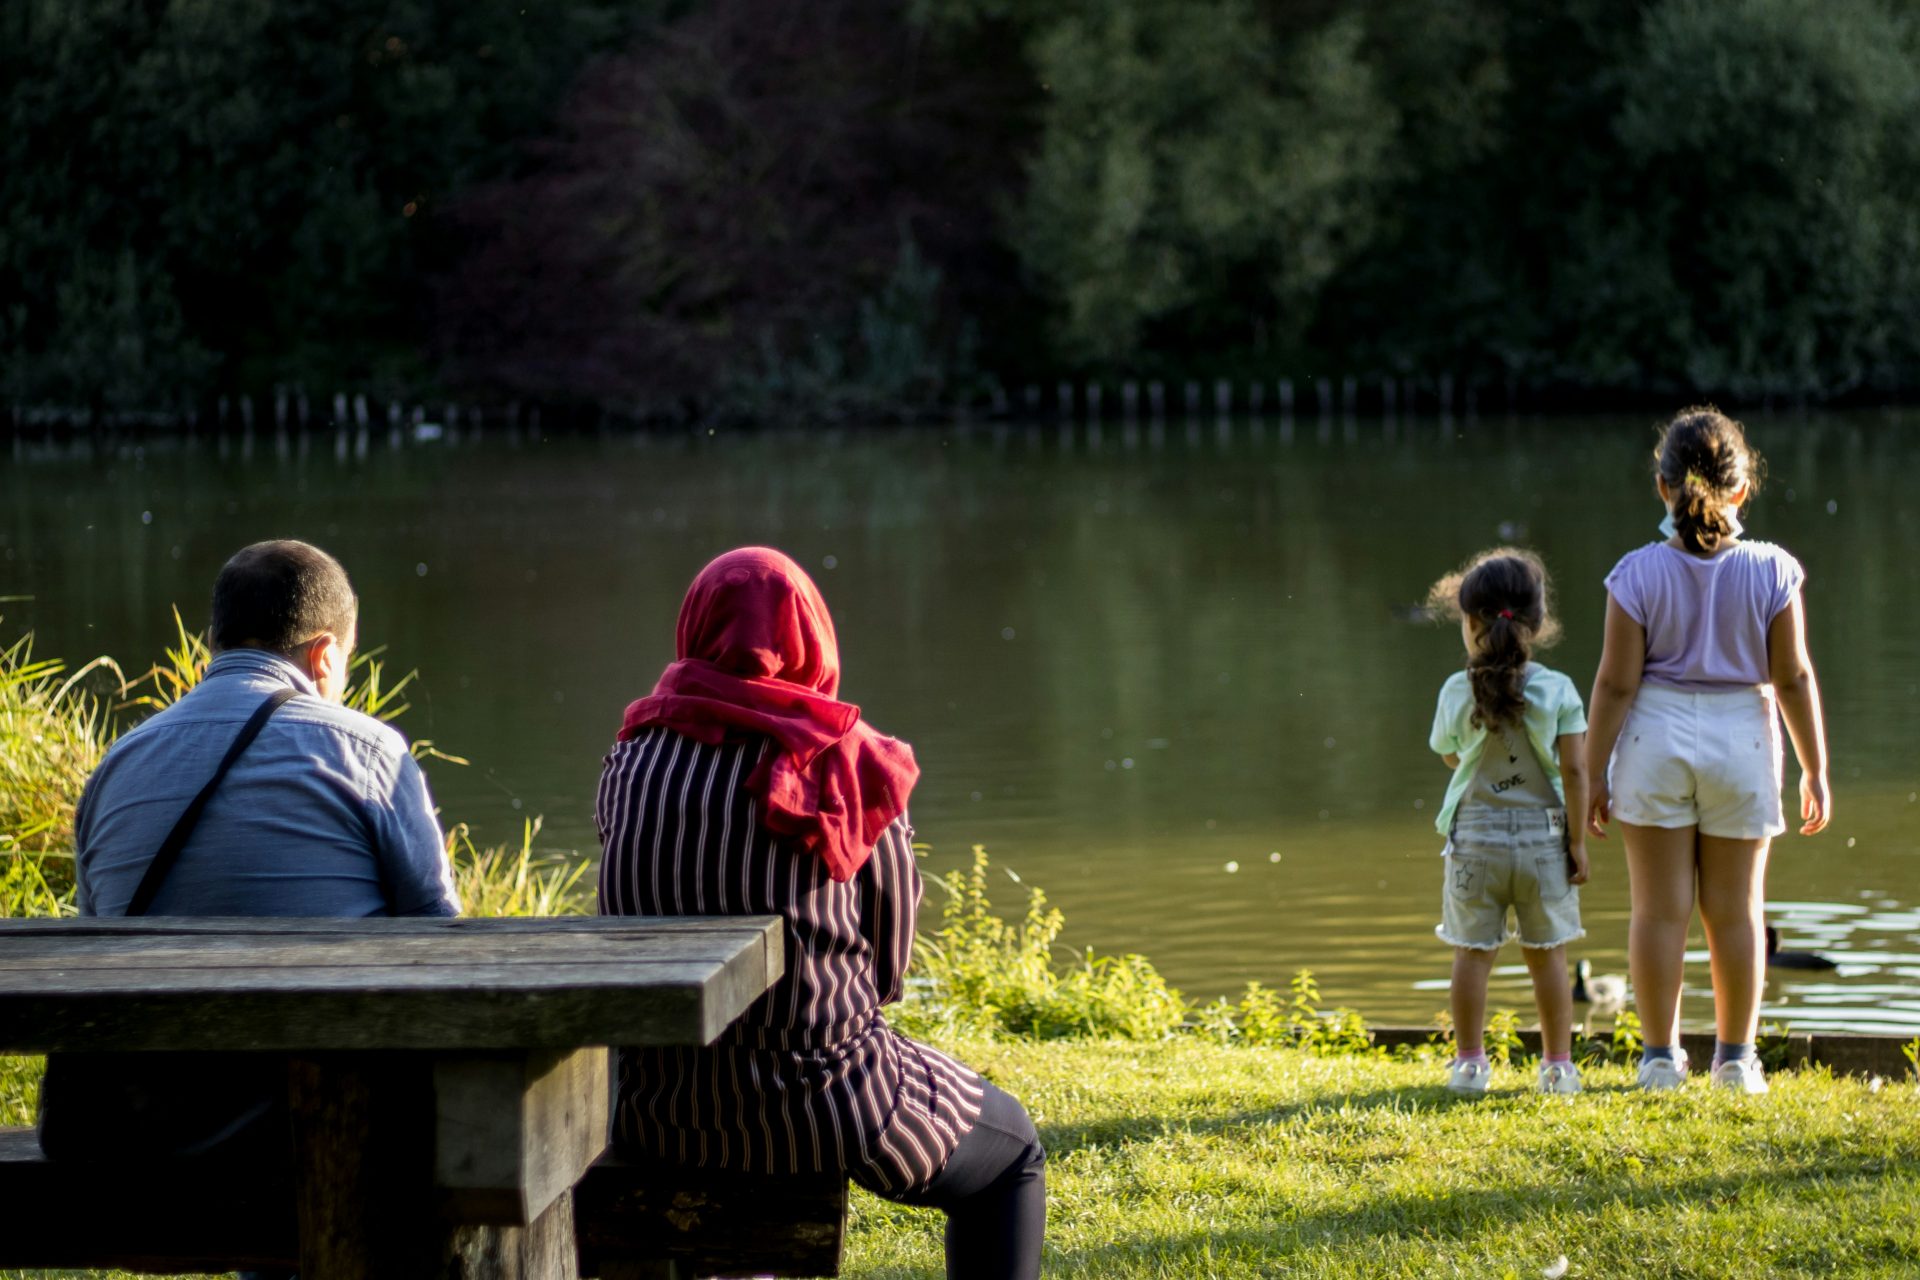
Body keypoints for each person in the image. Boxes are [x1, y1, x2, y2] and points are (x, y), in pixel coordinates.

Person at [596, 547, 1045, 1280]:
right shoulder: (850, 762)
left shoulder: (634, 753)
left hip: (660, 1107)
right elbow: (890, 961)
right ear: (811, 637)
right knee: (1013, 1154)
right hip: (823, 1100)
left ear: (696, 629)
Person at [41, 538, 458, 1159]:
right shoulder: (368, 752)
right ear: (323, 656)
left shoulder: (117, 766)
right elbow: (442, 943)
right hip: (319, 1130)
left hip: (146, 1138)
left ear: (217, 641)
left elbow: (98, 946)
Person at [1585, 409, 1830, 1094]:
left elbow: (1614, 683)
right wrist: (1815, 766)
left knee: (1657, 912)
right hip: (1744, 740)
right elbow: (1793, 677)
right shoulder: (1774, 569)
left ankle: (1660, 1059)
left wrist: (1593, 772)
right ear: (1742, 490)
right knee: (1737, 911)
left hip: (1654, 738)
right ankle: (1735, 1060)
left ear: (1662, 487)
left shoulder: (1635, 574)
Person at [1426, 548, 1590, 1097]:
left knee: (1472, 954)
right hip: (1546, 841)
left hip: (1475, 841)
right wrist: (1578, 841)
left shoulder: (1456, 690)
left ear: (1470, 622)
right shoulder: (1559, 689)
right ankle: (1557, 1066)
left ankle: (1470, 1064)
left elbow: (1450, 756)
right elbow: (1574, 768)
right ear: (1537, 623)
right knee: (1549, 955)